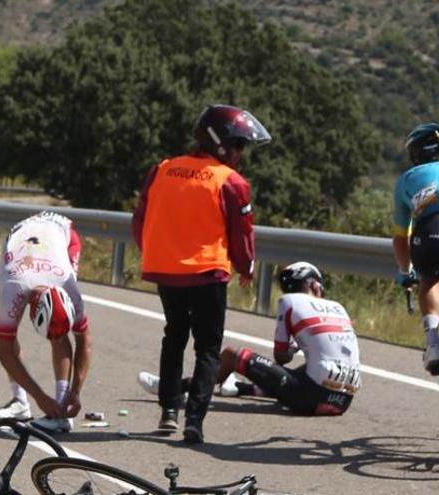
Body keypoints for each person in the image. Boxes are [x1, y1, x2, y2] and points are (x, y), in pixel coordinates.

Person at [131, 104, 271, 444]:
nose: (240, 153)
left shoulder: (162, 169)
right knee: (208, 348)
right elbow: (241, 233)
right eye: (238, 145)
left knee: (174, 336)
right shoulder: (230, 181)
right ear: (219, 143)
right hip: (208, 272)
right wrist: (246, 267)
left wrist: (153, 251)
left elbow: (140, 219)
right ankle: (194, 419)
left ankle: (168, 411)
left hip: (166, 271)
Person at [139, 262, 361, 417]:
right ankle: (239, 388)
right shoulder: (339, 307)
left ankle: (174, 387)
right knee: (305, 371)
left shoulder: (289, 301)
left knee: (231, 355)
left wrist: (294, 346)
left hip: (308, 397)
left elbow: (281, 357)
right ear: (315, 285)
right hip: (343, 401)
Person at [0, 211, 92, 434]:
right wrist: (39, 396)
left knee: (59, 332)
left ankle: (61, 408)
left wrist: (75, 392)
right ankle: (20, 403)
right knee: (8, 331)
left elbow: (85, 343)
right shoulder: (13, 287)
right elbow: (5, 351)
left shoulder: (69, 288)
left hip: (62, 235)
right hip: (20, 239)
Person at [392, 122, 439, 375]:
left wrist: (405, 270)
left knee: (429, 281)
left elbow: (400, 237)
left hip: (429, 230)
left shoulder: (407, 179)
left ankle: (433, 344)